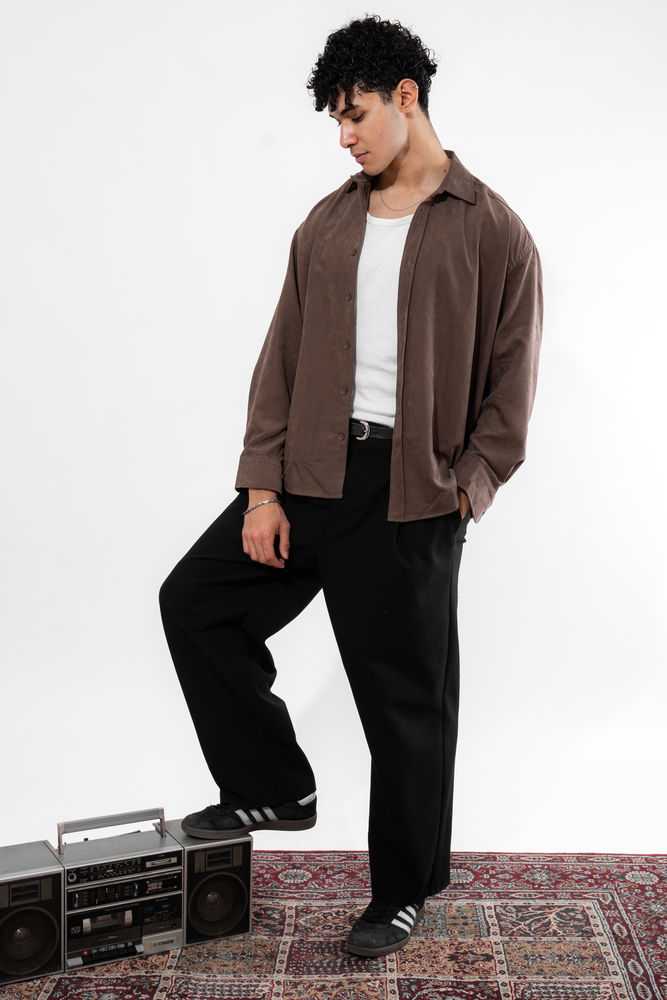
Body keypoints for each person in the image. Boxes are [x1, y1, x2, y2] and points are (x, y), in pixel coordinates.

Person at [158, 14, 543, 959]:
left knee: (404, 703)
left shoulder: (492, 230)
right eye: (335, 119)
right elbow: (280, 362)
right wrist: (261, 490)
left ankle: (401, 892)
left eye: (354, 114)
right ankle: (274, 786)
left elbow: (510, 386)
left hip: (411, 491)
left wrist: (467, 489)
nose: (343, 136)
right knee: (196, 602)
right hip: (308, 472)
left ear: (405, 97)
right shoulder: (327, 224)